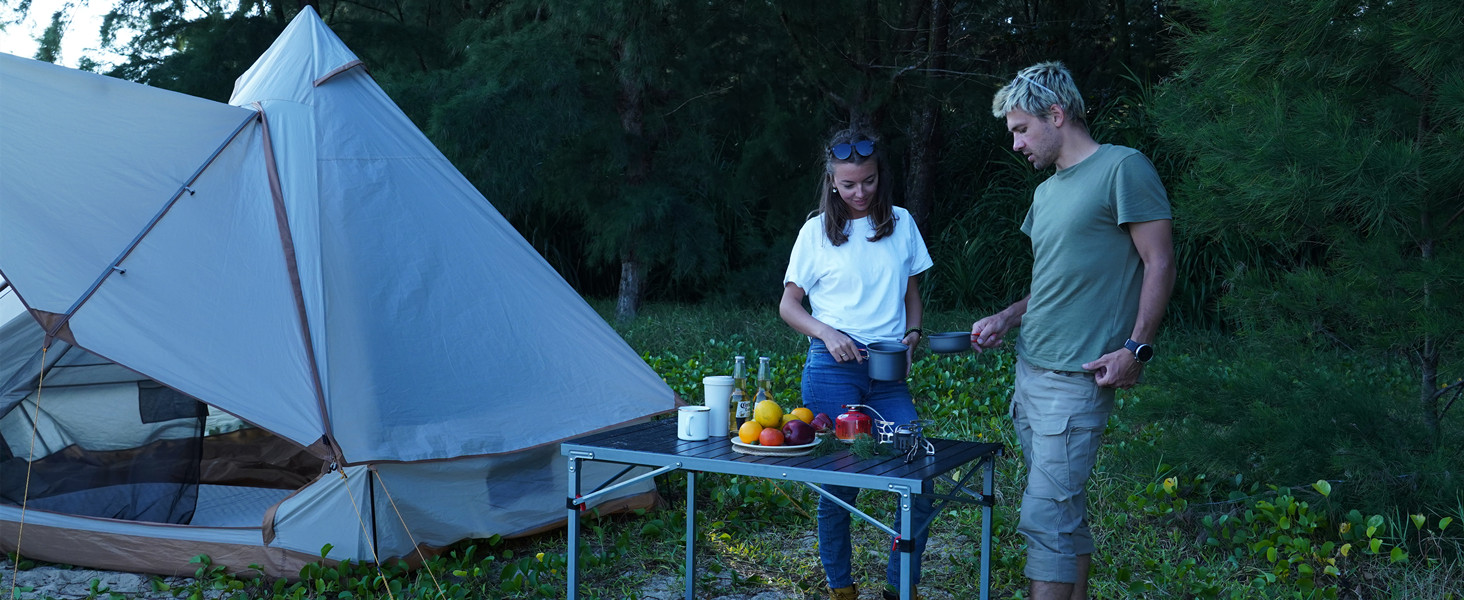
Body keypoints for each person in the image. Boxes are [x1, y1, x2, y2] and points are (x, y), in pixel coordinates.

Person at [971, 62, 1175, 600]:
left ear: (1055, 115)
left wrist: (1137, 348)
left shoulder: (1123, 169)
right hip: (1031, 369)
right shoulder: (1046, 194)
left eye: (1020, 129)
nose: (1016, 144)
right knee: (1062, 516)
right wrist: (1007, 317)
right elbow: (1055, 283)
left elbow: (1159, 263)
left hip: (1077, 379)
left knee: (1044, 519)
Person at [779, 127, 934, 600]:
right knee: (839, 486)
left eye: (867, 181)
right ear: (831, 182)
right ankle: (841, 589)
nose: (860, 192)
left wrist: (912, 335)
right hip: (831, 369)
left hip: (888, 373)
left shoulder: (902, 223)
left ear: (879, 175)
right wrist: (827, 333)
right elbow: (789, 305)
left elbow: (912, 295)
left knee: (918, 477)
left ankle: (897, 589)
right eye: (848, 184)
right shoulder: (815, 232)